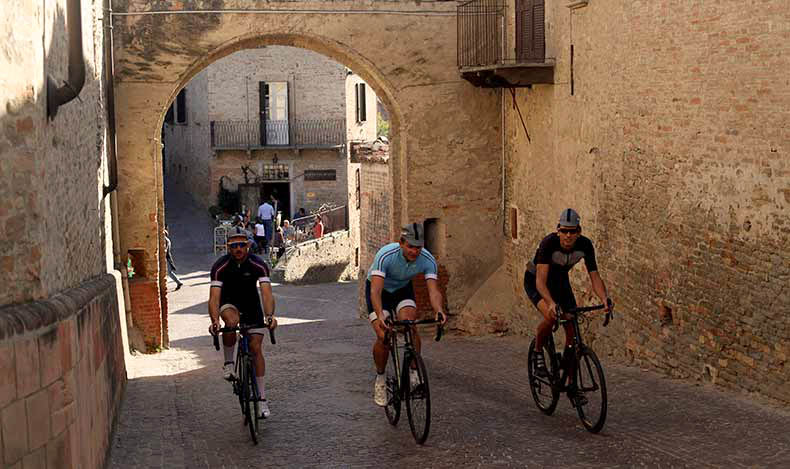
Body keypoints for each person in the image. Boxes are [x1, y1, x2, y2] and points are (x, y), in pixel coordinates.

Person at [523, 208, 612, 405]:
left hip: (560, 282)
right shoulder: (549, 244)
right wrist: (552, 304)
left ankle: (572, 386)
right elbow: (540, 281)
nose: (568, 235)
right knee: (551, 315)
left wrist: (604, 299)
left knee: (572, 329)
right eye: (564, 231)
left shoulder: (585, 245)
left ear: (579, 232)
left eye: (573, 231)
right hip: (536, 281)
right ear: (558, 231)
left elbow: (594, 276)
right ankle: (538, 351)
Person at [367, 223, 447, 406]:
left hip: (402, 290)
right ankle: (380, 379)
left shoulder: (427, 259)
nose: (414, 252)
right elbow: (375, 292)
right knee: (382, 334)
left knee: (410, 324)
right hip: (379, 292)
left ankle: (413, 373)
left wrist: (439, 310)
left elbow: (433, 291)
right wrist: (380, 314)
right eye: (410, 246)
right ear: (401, 243)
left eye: (418, 247)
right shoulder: (386, 255)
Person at [208, 226, 278, 418]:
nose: (238, 249)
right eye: (233, 246)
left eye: (241, 245)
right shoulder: (220, 267)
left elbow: (266, 293)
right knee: (231, 321)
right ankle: (229, 363)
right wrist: (215, 321)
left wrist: (269, 316)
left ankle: (262, 399)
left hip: (251, 306)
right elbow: (214, 298)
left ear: (248, 246)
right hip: (229, 303)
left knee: (256, 348)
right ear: (228, 248)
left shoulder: (259, 264)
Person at [164, 225, 183, 291]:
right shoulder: (167, 240)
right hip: (167, 257)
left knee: (169, 272)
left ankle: (179, 282)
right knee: (169, 272)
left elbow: (165, 250)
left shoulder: (166, 240)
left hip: (167, 258)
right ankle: (178, 282)